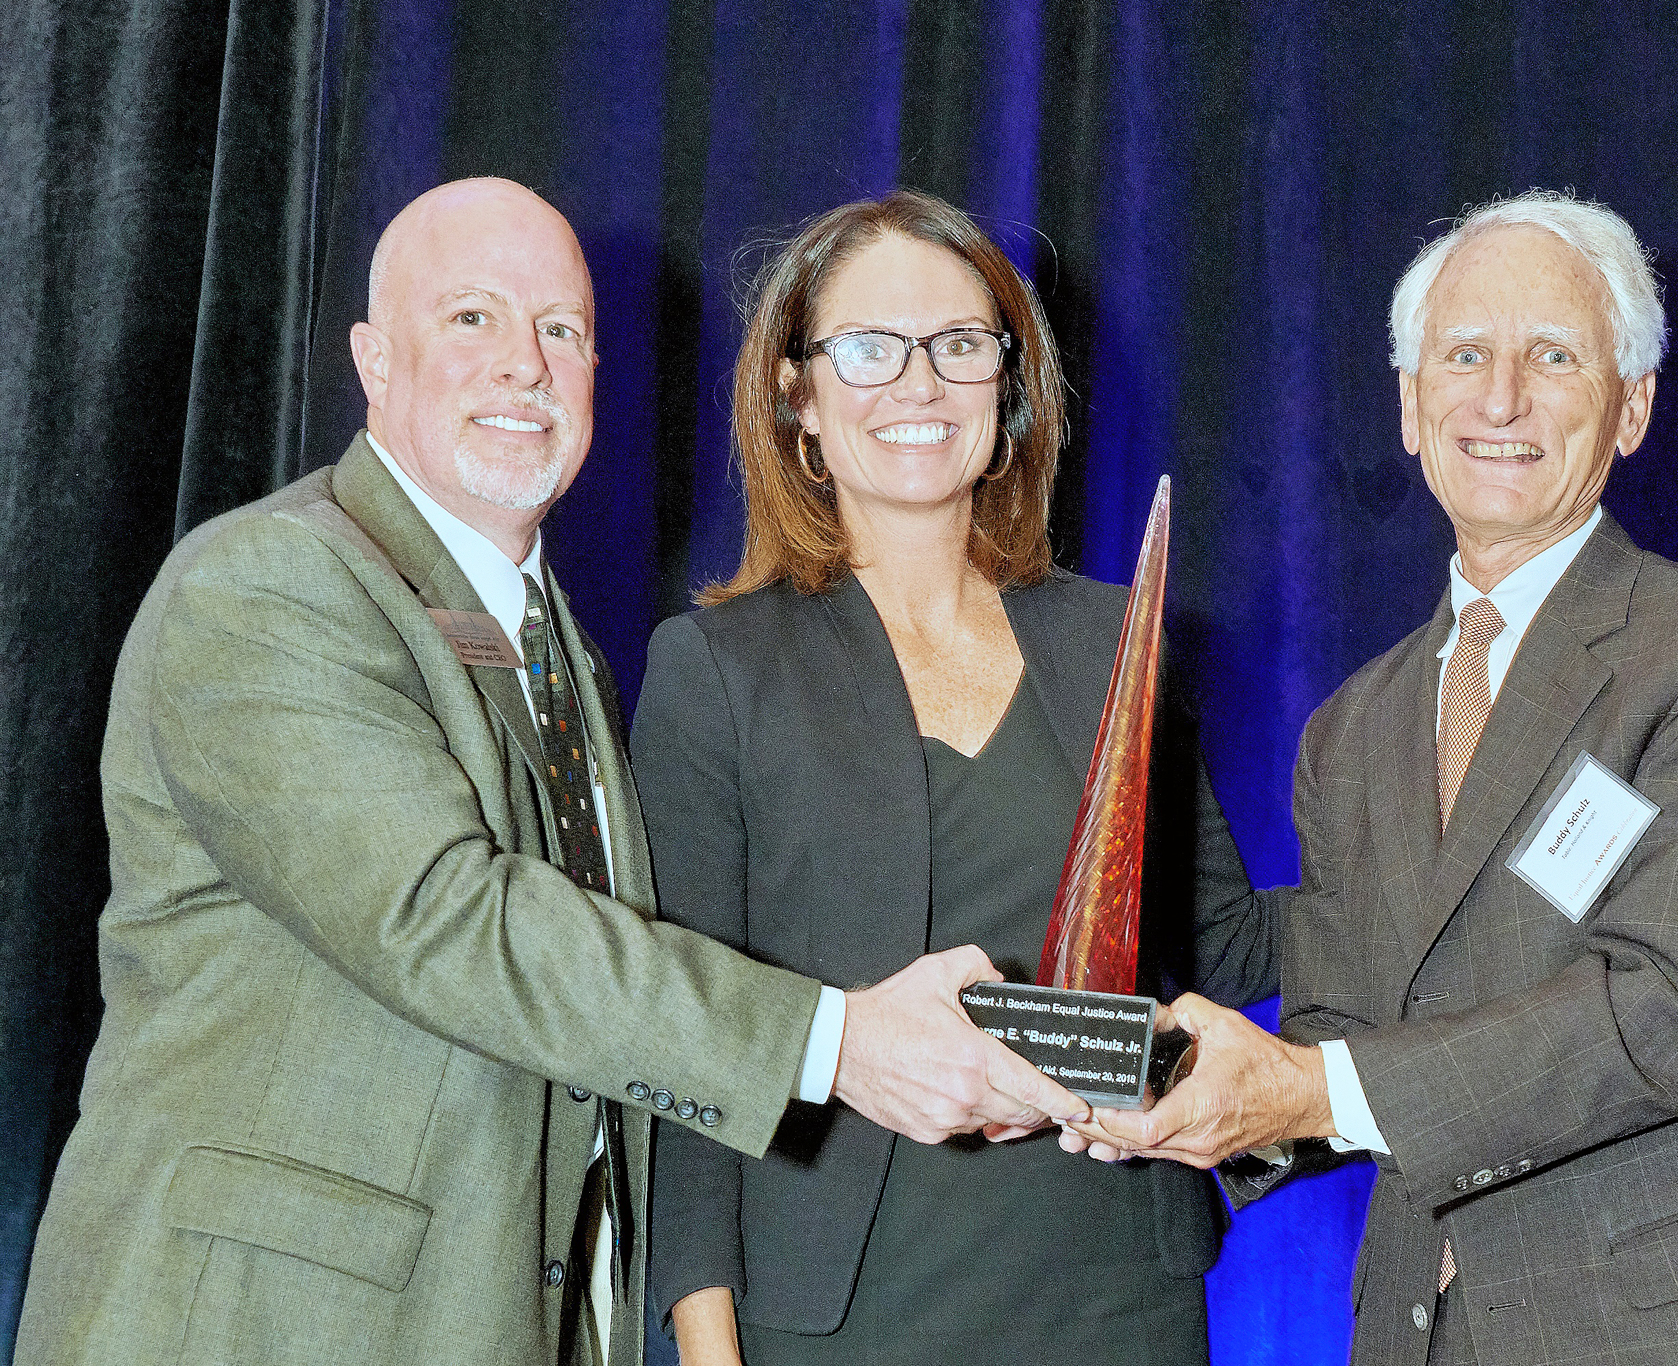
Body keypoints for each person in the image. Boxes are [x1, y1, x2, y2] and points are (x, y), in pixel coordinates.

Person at [14, 178, 1083, 1366]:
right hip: (259, 1325)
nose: (522, 364)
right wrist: (838, 1041)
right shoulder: (269, 586)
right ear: (373, 361)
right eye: (471, 318)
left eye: (559, 330)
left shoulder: (559, 650)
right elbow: (445, 919)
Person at [1073, 191, 1678, 1364]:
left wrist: (1301, 1089)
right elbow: (1339, 1041)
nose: (1499, 399)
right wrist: (1178, 1099)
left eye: (1551, 356)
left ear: (1631, 407)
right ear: (1408, 404)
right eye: (1462, 355)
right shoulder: (1350, 730)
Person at [629, 189, 1281, 1366]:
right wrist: (704, 1346)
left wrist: (1464, 851)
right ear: (798, 397)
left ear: (1008, 385)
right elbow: (684, 1051)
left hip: (1115, 1297)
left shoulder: (1109, 637)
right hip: (836, 1312)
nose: (918, 383)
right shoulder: (715, 669)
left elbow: (1225, 942)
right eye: (869, 349)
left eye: (958, 346)